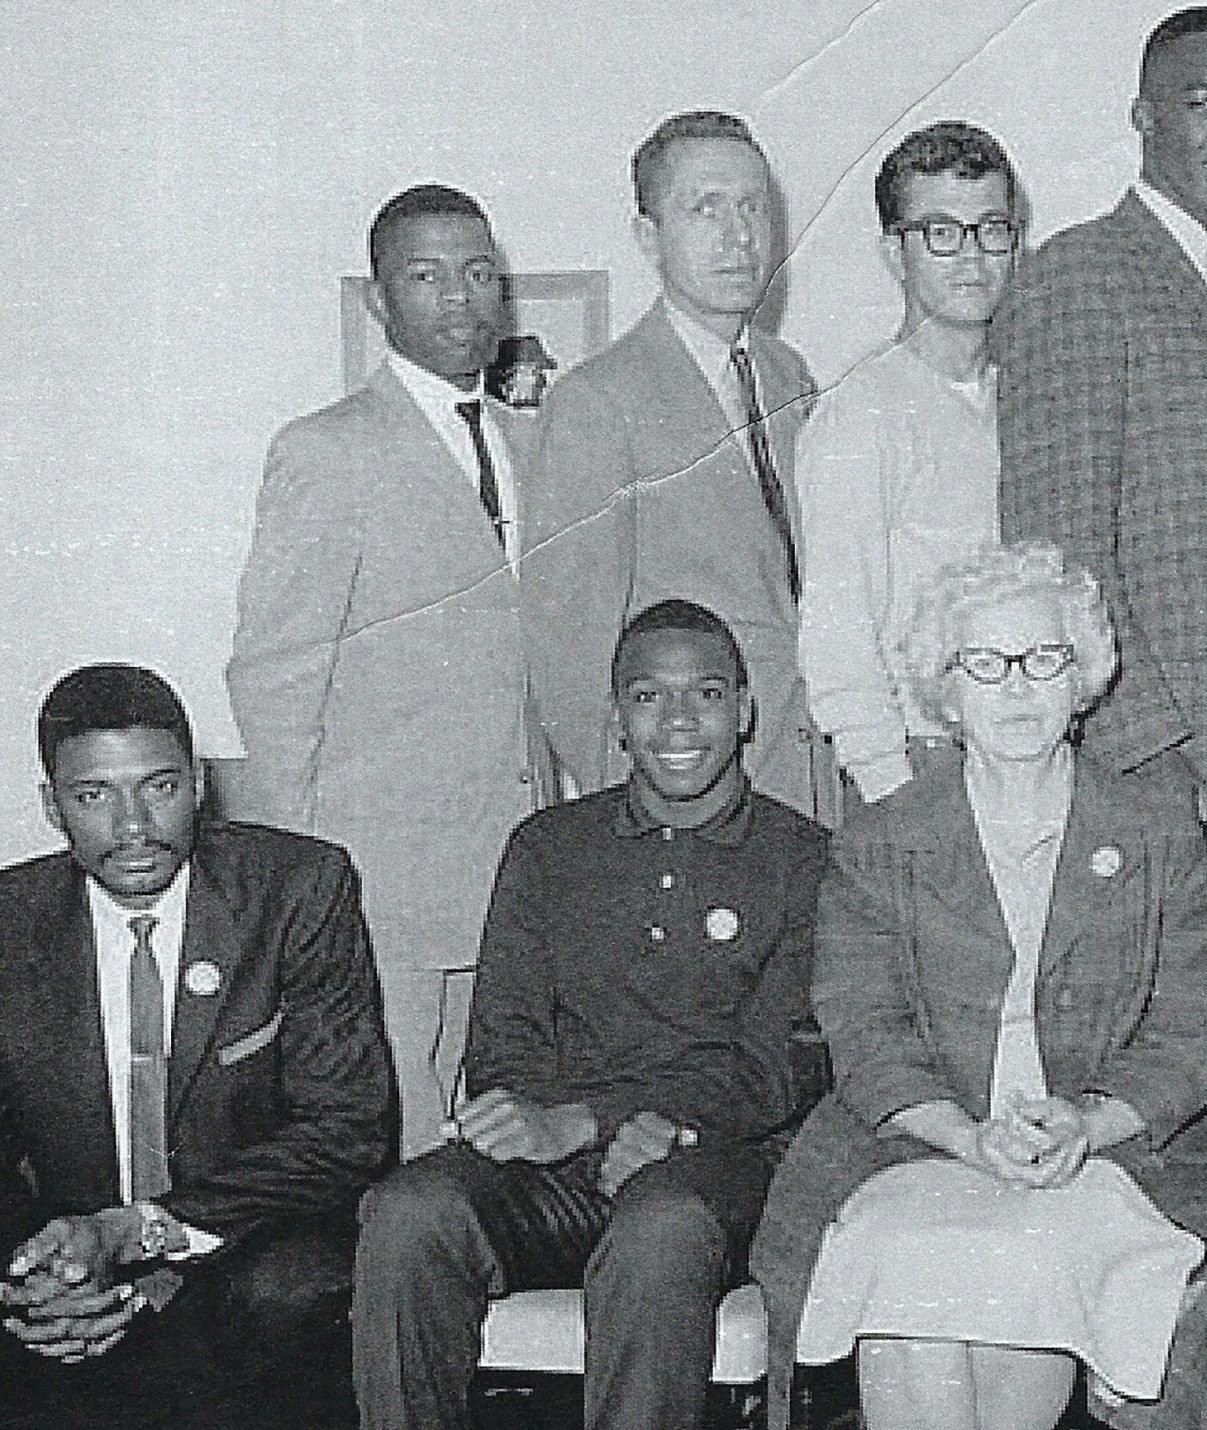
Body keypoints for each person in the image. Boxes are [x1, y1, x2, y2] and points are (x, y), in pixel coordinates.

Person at [753, 544, 1207, 1430]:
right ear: (946, 691)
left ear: (1084, 677)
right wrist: (964, 1135)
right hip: (916, 1143)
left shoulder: (1155, 831)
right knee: (910, 1268)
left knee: (1005, 1262)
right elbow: (862, 1030)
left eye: (1044, 659)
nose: (1018, 688)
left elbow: (1196, 1025)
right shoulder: (882, 840)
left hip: (1115, 1154)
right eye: (984, 664)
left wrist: (1091, 1120)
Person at [350, 599, 826, 1430]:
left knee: (661, 1228)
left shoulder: (809, 860)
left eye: (707, 694)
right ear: (616, 717)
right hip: (556, 1171)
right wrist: (555, 1130)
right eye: (648, 697)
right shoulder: (547, 847)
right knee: (408, 1211)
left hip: (719, 1165)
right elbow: (503, 1039)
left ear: (746, 711)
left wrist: (606, 1121)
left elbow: (778, 1065)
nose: (678, 720)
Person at [227, 183, 552, 1157]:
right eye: (425, 276)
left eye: (478, 272)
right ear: (378, 301)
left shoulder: (529, 438)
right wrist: (306, 896)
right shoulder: (326, 451)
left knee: (482, 1171)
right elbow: (274, 676)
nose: (459, 299)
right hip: (383, 898)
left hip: (511, 886)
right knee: (394, 1168)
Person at [1, 664, 395, 1429]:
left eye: (159, 787)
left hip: (248, 1247)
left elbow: (348, 1130)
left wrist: (141, 1232)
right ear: (53, 807)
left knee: (289, 1295)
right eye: (94, 796)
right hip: (72, 1265)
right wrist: (37, 1276)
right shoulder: (9, 925)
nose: (134, 827)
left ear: (200, 783)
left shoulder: (299, 889)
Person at [993, 6, 1207, 820]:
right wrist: (1144, 753)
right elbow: (1056, 548)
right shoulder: (1081, 275)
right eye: (1205, 104)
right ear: (1145, 118)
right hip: (1163, 769)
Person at [528, 110, 827, 821]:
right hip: (684, 801)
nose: (739, 235)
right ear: (647, 236)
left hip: (804, 786)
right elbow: (569, 651)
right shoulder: (596, 401)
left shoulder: (792, 380)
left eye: (754, 207)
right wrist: (630, 821)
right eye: (705, 208)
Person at [796, 120, 1019, 806]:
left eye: (992, 229)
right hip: (921, 769)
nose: (972, 257)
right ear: (895, 253)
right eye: (941, 233)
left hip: (1024, 760)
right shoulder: (861, 412)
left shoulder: (1024, 398)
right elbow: (836, 630)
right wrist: (890, 788)